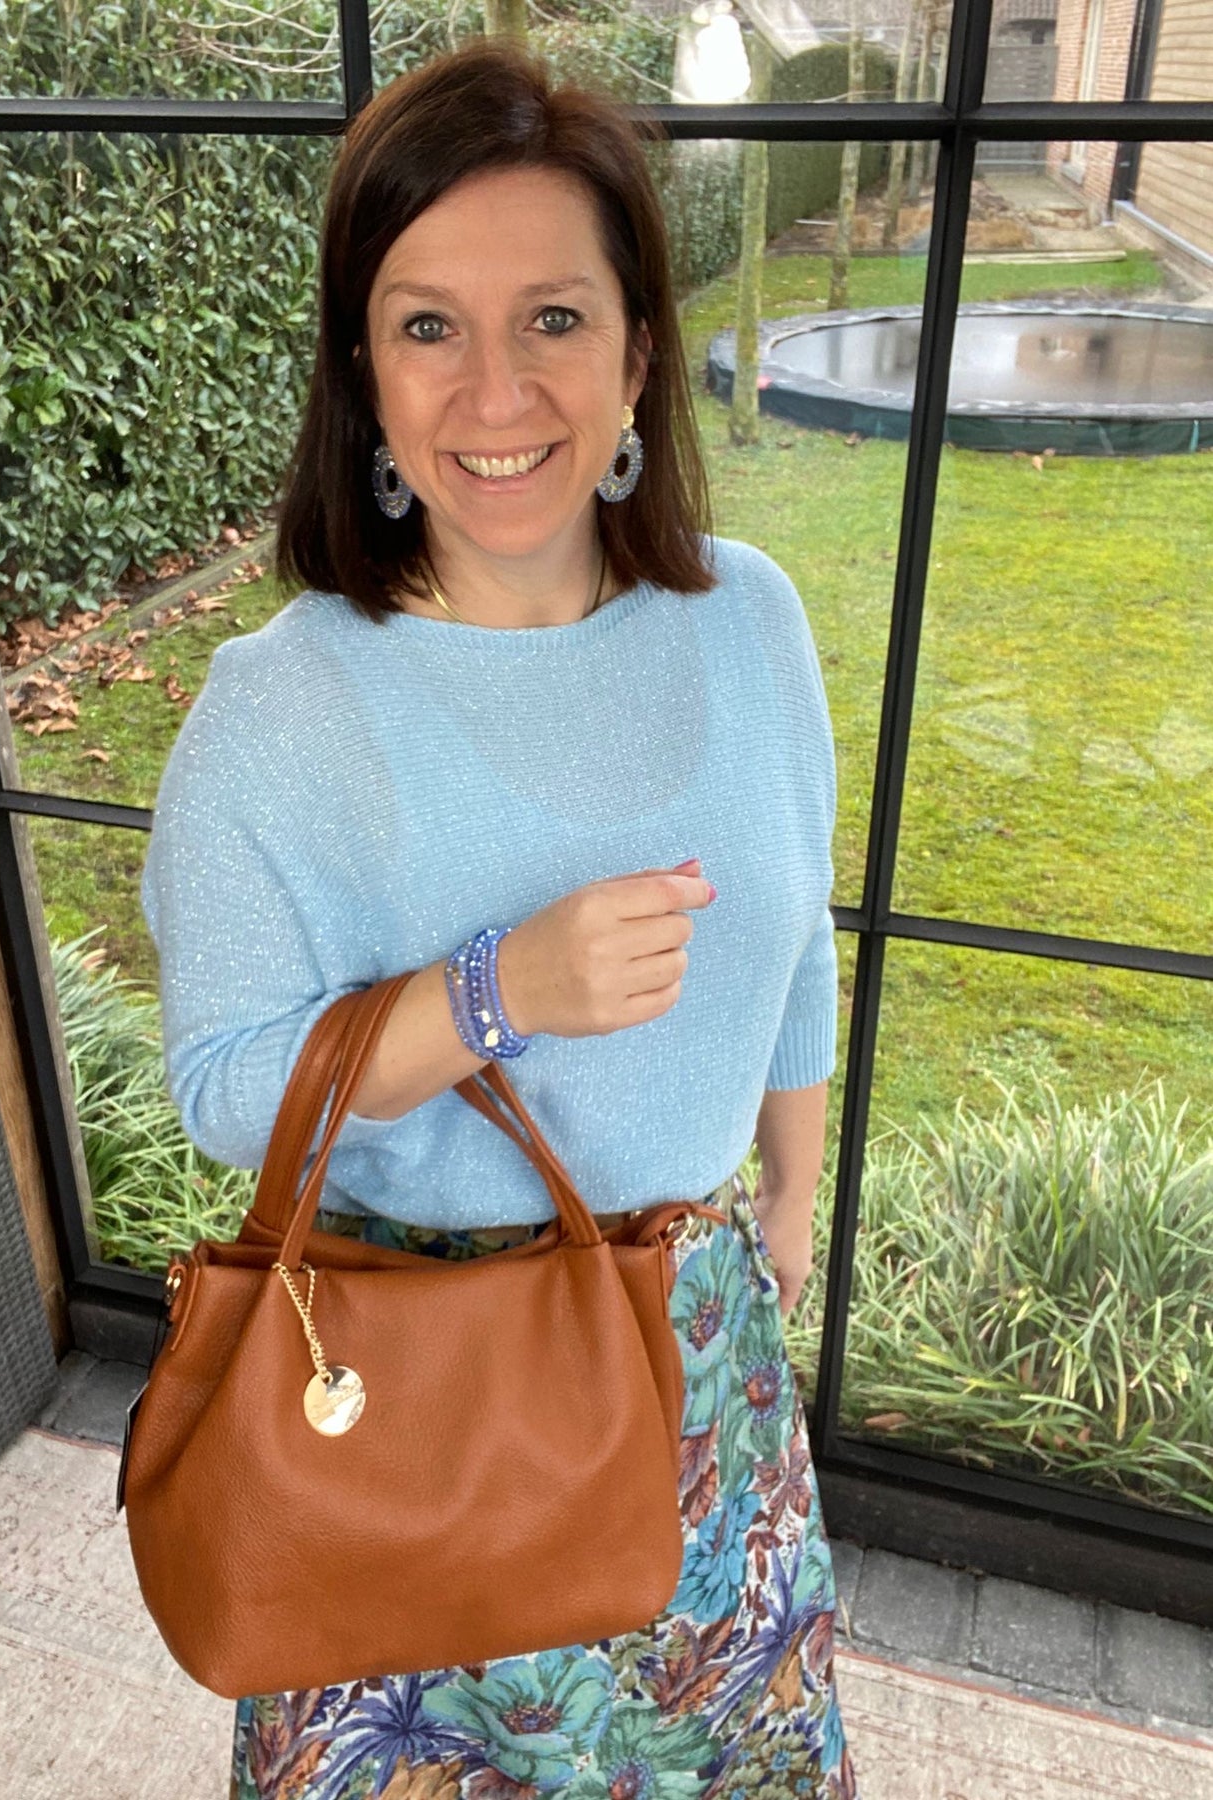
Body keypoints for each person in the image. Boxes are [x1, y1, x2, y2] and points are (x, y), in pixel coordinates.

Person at [140, 34, 859, 1800]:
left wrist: (784, 1203)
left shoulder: (750, 622)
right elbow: (230, 1090)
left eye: (551, 317)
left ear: (636, 353)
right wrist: (493, 989)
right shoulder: (279, 708)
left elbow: (794, 944)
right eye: (425, 326)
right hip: (417, 1390)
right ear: (361, 373)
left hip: (701, 1374)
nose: (494, 391)